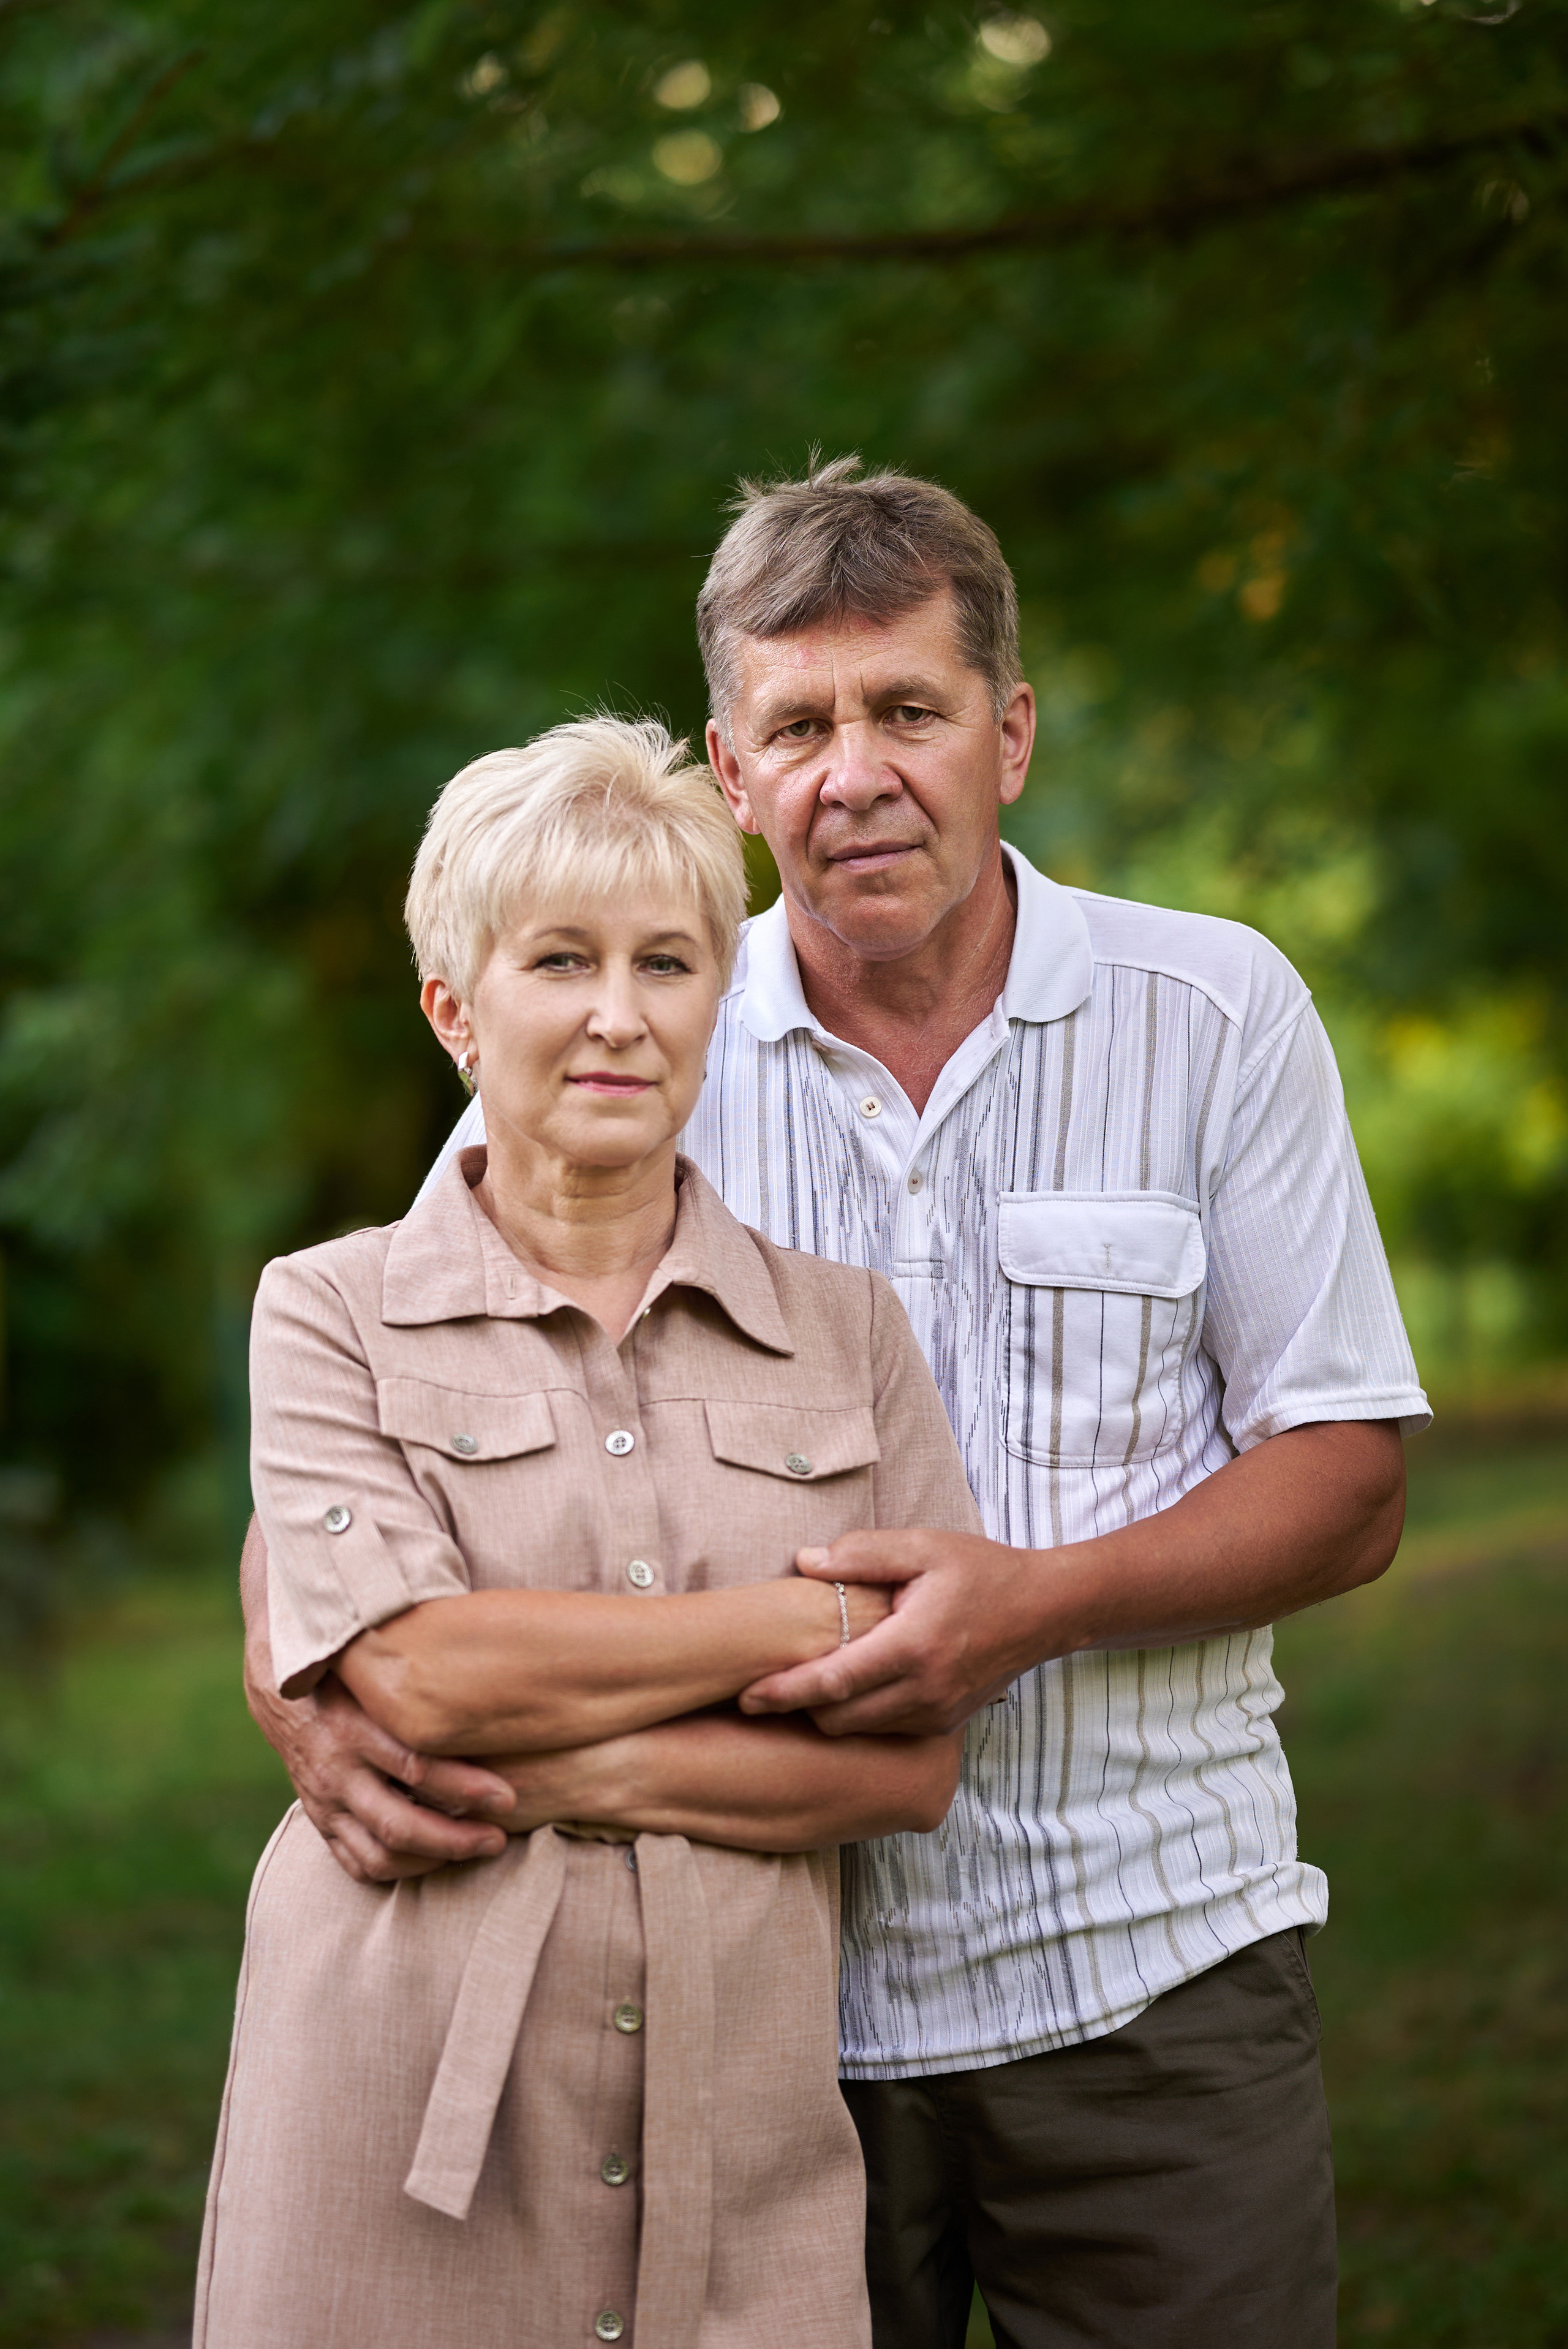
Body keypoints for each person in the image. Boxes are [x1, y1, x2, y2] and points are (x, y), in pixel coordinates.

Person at [243, 459, 1431, 2349]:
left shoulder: (1215, 1014)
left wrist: (1030, 1601)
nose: (853, 771)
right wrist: (303, 1670)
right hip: (755, 2009)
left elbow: (1351, 1479)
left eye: (908, 710)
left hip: (1146, 1973)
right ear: (732, 774)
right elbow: (375, 1379)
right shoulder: (633, 1034)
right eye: (797, 724)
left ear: (1012, 734)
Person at [197, 717, 983, 2349]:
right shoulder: (328, 1311)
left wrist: (572, 1762)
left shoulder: (853, 1336)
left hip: (748, 2139)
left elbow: (909, 1763)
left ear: (717, 1001)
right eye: (560, 958)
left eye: (670, 961)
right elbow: (416, 1678)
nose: (620, 1015)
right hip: (386, 2106)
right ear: (455, 1007)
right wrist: (802, 1626)